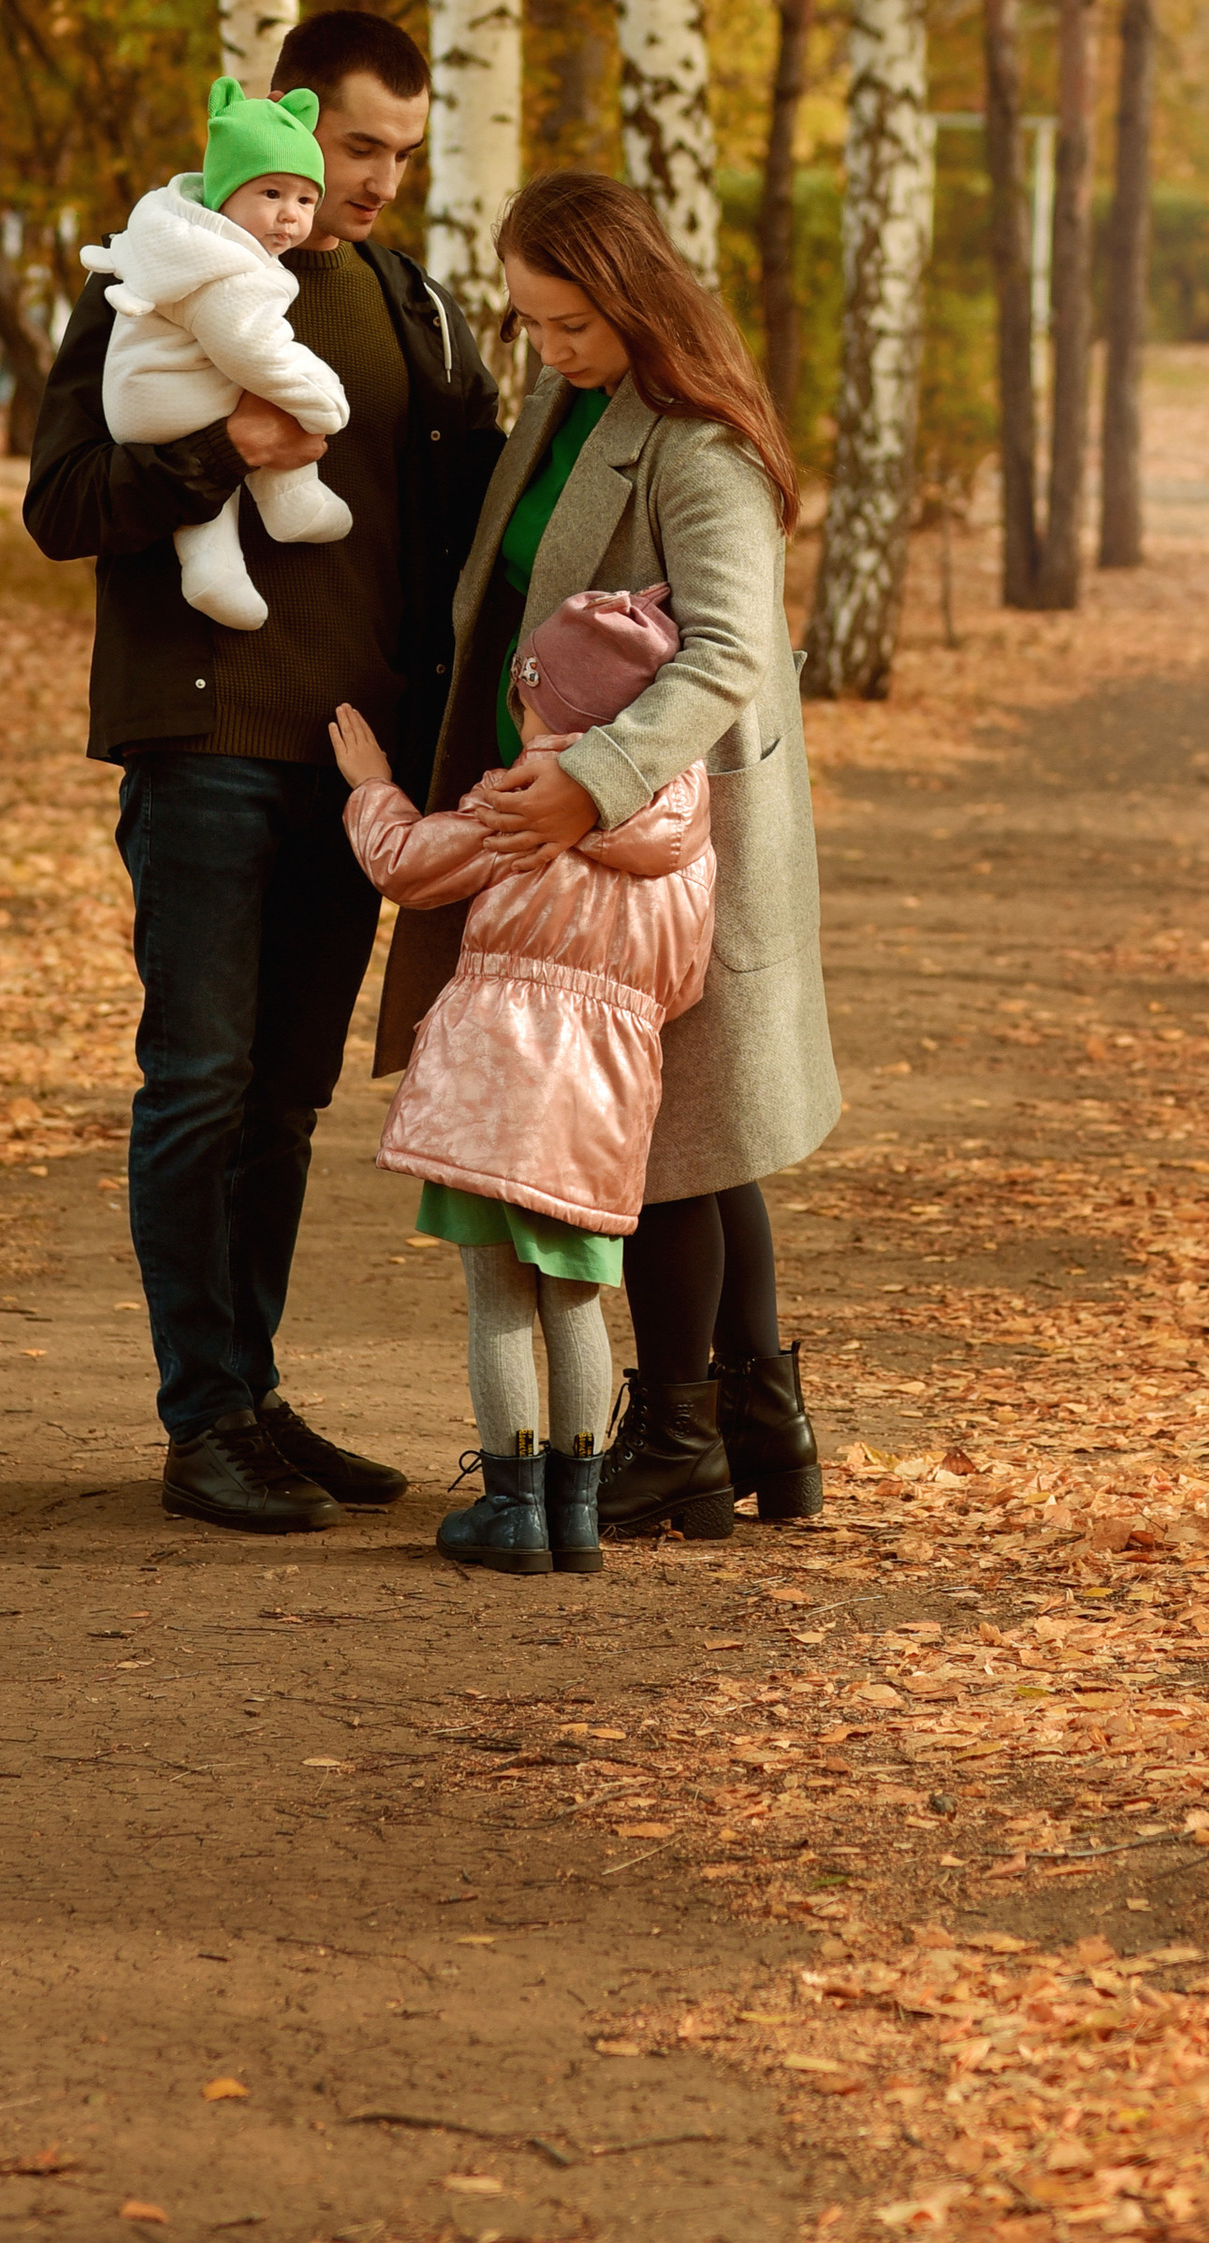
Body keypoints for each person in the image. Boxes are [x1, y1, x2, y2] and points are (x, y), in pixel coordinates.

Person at [24, 10, 500, 1534]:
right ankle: (202, 1418)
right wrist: (218, 447)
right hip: (210, 746)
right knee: (201, 1083)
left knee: (287, 1098)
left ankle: (254, 1391)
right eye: (356, 146)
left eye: (400, 156)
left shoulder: (416, 307)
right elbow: (58, 502)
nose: (373, 181)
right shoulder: (158, 274)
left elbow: (474, 517)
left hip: (357, 773)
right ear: (292, 116)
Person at [374, 169, 838, 1543]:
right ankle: (762, 1424)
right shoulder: (566, 407)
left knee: (676, 1139)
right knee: (706, 1126)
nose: (551, 348)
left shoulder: (698, 446)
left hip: (667, 833)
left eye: (571, 321)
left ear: (634, 295)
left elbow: (731, 652)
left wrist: (590, 785)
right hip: (591, 826)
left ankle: (683, 1436)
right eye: (532, 322)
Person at [331, 583, 718, 1580]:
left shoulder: (516, 798)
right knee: (578, 1299)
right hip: (608, 1091)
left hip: (495, 1077)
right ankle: (576, 1514)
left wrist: (368, 784)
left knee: (498, 1296)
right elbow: (682, 982)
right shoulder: (683, 831)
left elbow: (407, 866)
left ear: (532, 694)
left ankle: (511, 1509)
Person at [82, 78, 354, 630]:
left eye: (305, 199)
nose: (290, 216)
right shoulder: (221, 265)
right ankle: (289, 501)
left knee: (235, 426)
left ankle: (213, 570)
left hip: (145, 398)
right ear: (224, 192)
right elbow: (254, 349)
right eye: (270, 194)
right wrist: (323, 399)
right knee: (265, 398)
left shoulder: (181, 236)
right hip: (169, 398)